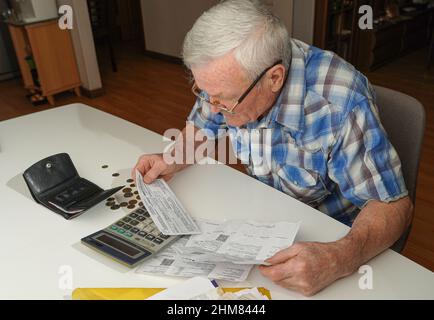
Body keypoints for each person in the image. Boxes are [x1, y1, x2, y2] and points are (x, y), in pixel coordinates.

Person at [132, 0, 412, 296]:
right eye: (204, 93)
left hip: (330, 239)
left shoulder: (339, 105)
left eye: (221, 100)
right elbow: (205, 123)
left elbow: (393, 206)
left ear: (274, 78)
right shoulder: (229, 83)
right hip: (264, 225)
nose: (212, 108)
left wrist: (340, 257)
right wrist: (172, 158)